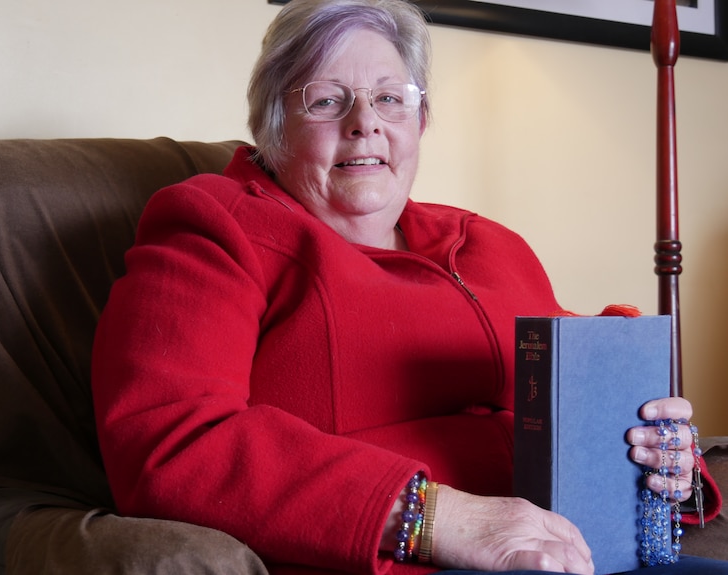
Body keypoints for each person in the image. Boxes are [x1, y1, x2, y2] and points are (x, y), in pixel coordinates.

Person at [91, 0, 726, 573]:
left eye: (391, 98)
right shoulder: (217, 224)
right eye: (325, 99)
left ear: (420, 120)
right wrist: (436, 519)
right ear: (273, 126)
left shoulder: (487, 243)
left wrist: (664, 459)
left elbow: (582, 394)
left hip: (581, 548)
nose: (365, 122)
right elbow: (172, 439)